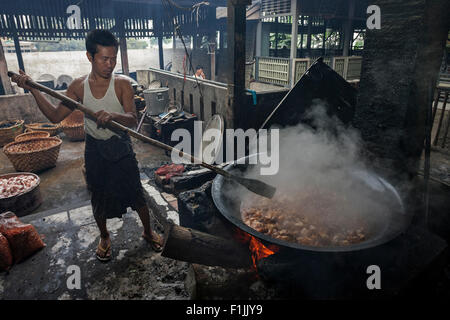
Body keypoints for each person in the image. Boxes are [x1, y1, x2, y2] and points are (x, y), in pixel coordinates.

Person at [11, 29, 163, 262]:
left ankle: (148, 231)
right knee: (98, 194)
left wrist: (113, 116)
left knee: (135, 191)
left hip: (121, 146)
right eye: (104, 59)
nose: (110, 64)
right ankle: (104, 237)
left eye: (113, 58)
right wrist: (33, 90)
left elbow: (132, 120)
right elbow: (54, 116)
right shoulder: (78, 87)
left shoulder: (122, 84)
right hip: (95, 150)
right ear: (89, 57)